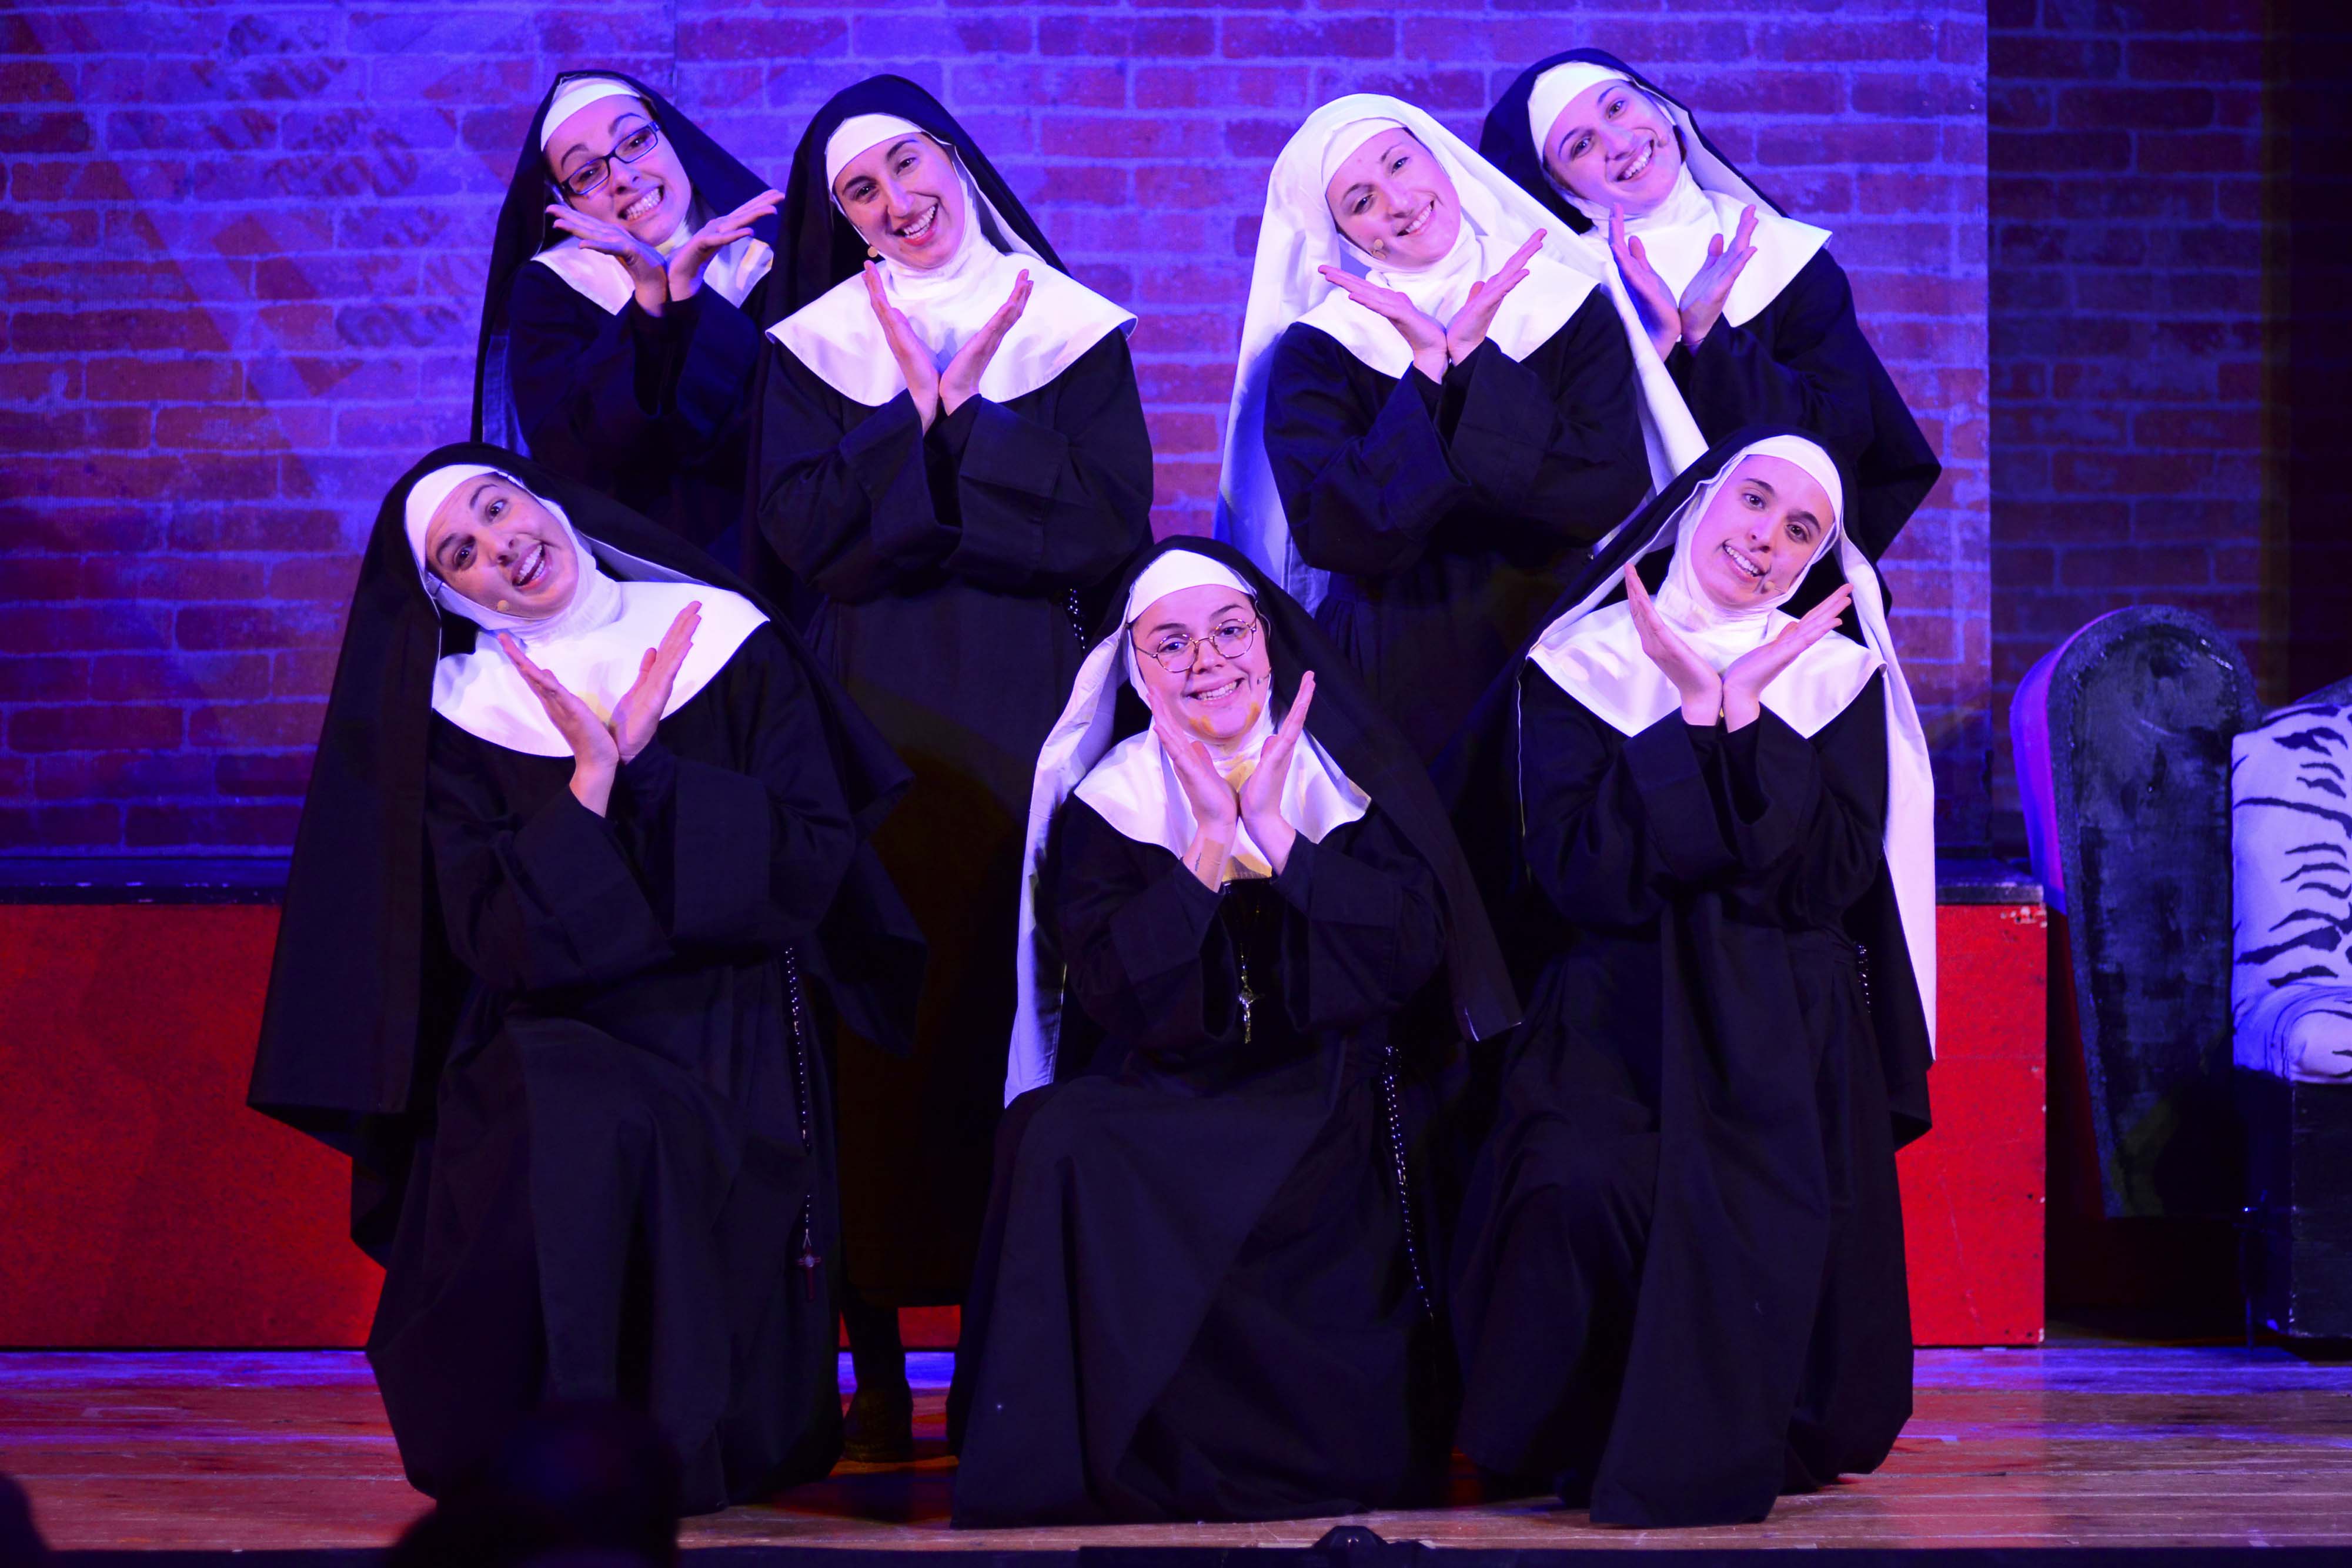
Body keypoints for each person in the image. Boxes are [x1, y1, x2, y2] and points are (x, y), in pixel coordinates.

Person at [248, 445, 922, 1514]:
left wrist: (654, 768)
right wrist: (593, 782)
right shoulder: (457, 714)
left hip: (729, 1019)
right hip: (547, 1027)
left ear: (544, 502)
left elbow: (809, 853)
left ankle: (682, 1436)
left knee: (633, 1120)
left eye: (496, 507)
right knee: (576, 1109)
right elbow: (497, 940)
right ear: (449, 596)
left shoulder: (727, 641)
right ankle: (568, 1445)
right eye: (460, 553)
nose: (499, 548)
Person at [949, 540, 1518, 1526]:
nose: (1206, 660)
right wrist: (1211, 839)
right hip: (1174, 1088)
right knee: (1055, 1136)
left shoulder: (1349, 778)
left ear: (1267, 640)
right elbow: (1115, 993)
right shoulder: (1111, 803)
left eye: (1227, 631)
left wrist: (1283, 836)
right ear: (1136, 670)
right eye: (1172, 643)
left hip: (1330, 1085)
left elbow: (1414, 950)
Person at [753, 75, 1154, 1456]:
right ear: (842, 221)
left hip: (1027, 699)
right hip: (866, 713)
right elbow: (802, 536)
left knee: (1014, 1007)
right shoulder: (809, 348)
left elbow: (1108, 526)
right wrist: (909, 420)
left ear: (955, 160)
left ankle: (1005, 1353)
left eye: (905, 168)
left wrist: (968, 421)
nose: (895, 203)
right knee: (873, 1017)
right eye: (858, 193)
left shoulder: (1070, 328)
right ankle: (868, 1358)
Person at [1442, 430, 1935, 1526]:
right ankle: (1567, 1426)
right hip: (1611, 1005)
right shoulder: (1584, 662)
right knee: (1571, 1186)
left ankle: (1749, 1425)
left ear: (1816, 561)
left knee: (1762, 1202)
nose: (1765, 539)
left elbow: (1835, 875)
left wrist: (1745, 712)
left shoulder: (1835, 677)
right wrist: (1684, 716)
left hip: (1780, 1015)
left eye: (1800, 530)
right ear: (1703, 503)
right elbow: (1582, 871)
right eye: (1754, 502)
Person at [1218, 94, 1671, 765]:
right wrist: (1429, 370)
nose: (1399, 203)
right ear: (1345, 234)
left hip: (1563, 642)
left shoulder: (1566, 299)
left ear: (1440, 160)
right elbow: (1334, 534)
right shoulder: (1319, 349)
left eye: (1400, 165)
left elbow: (1604, 491)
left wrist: (1475, 364)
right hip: (1397, 665)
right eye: (1362, 201)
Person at [1482, 54, 1942, 561]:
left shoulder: (1786, 255)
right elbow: (1551, 481)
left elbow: (1840, 436)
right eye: (1581, 146)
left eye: (1616, 107)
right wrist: (1652, 353)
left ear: (1662, 110)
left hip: (1779, 577)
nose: (1620, 143)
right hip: (1625, 578)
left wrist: (1708, 339)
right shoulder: (1559, 295)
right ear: (1559, 188)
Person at [471, 72, 784, 564]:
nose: (622, 177)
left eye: (636, 141)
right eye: (586, 174)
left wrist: (689, 295)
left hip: (795, 548)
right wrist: (651, 306)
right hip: (656, 570)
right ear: (562, 199)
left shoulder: (765, 254)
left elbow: (788, 426)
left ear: (672, 137)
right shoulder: (551, 289)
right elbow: (576, 466)